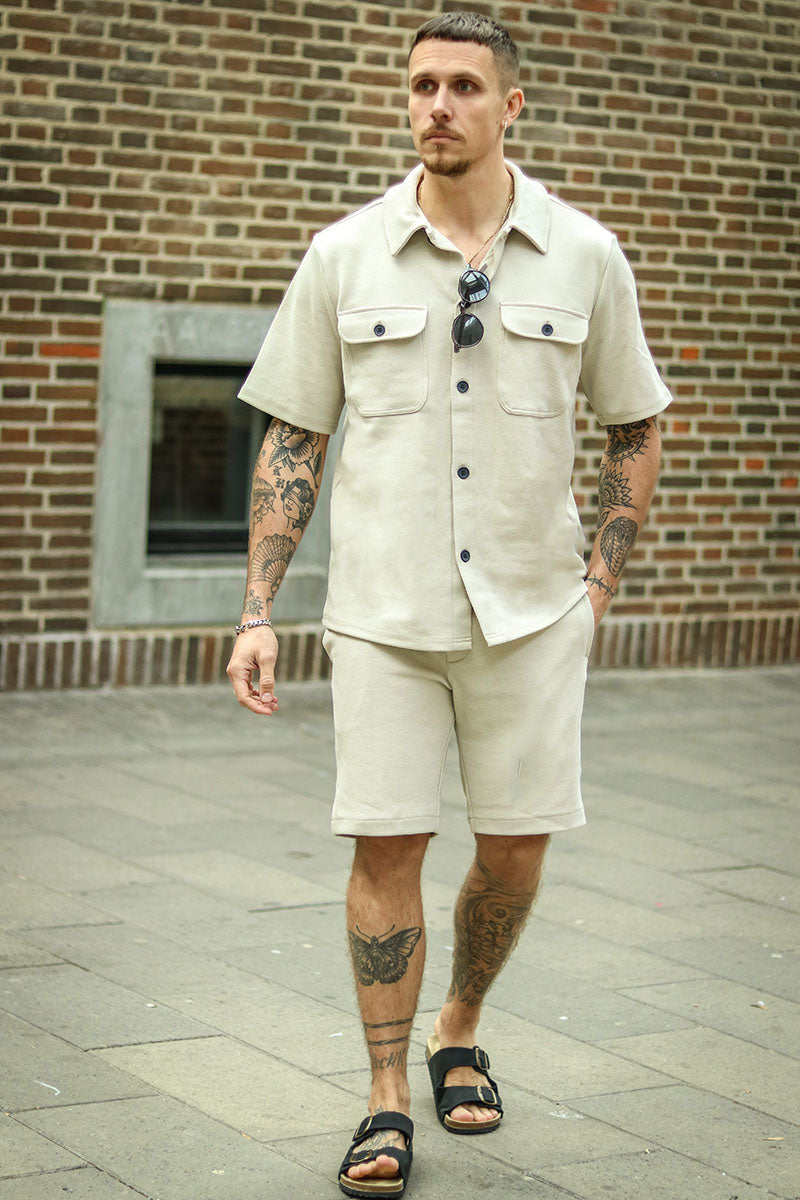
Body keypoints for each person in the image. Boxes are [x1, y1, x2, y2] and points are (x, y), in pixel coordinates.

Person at [227, 12, 670, 1197]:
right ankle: (384, 1098)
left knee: (513, 853)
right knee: (387, 844)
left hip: (531, 614)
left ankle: (457, 1025)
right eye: (421, 83)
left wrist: (596, 586)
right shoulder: (343, 255)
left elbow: (634, 424)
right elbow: (293, 438)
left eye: (464, 86)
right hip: (384, 614)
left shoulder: (584, 256)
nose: (437, 104)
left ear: (508, 105)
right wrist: (257, 609)